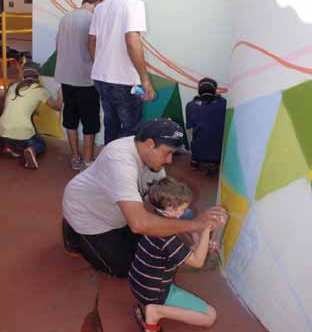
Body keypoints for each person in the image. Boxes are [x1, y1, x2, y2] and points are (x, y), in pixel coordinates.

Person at [62, 117, 226, 277]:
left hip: (117, 212)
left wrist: (197, 234)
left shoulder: (152, 160)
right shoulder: (120, 160)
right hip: (87, 213)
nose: (169, 161)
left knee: (148, 253)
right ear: (149, 144)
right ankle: (73, 233)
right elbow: (139, 224)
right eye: (168, 153)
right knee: (125, 268)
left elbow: (168, 203)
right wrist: (195, 225)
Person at [129, 177, 222, 332]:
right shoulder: (168, 239)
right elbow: (198, 262)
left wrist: (202, 241)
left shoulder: (154, 220)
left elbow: (187, 247)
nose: (186, 211)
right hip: (153, 292)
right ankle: (156, 311)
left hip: (137, 282)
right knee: (210, 317)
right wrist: (206, 229)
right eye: (183, 208)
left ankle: (153, 307)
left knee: (191, 244)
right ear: (171, 208)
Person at [88, 0, 156, 145]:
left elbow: (91, 40)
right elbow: (132, 41)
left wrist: (101, 64)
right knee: (131, 127)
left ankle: (110, 166)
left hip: (101, 78)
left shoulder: (101, 6)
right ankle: (122, 169)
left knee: (111, 124)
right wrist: (145, 79)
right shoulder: (134, 4)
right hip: (125, 81)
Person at [55, 0, 105, 171]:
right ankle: (87, 159)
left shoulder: (66, 17)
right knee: (90, 122)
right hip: (86, 80)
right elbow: (96, 49)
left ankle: (75, 157)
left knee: (70, 119)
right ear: (97, 3)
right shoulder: (94, 19)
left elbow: (57, 45)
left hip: (66, 78)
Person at [0, 66, 62, 169]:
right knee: (40, 143)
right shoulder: (39, 89)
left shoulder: (13, 86)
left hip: (2, 130)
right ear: (37, 78)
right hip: (20, 132)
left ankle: (10, 146)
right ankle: (31, 150)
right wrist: (60, 93)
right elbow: (58, 107)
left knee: (19, 135)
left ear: (23, 77)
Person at [186, 77, 226, 172]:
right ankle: (212, 161)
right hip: (218, 154)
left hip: (197, 152)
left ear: (199, 90)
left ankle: (195, 160)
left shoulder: (190, 105)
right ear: (214, 90)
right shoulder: (224, 104)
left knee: (196, 136)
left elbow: (189, 129)